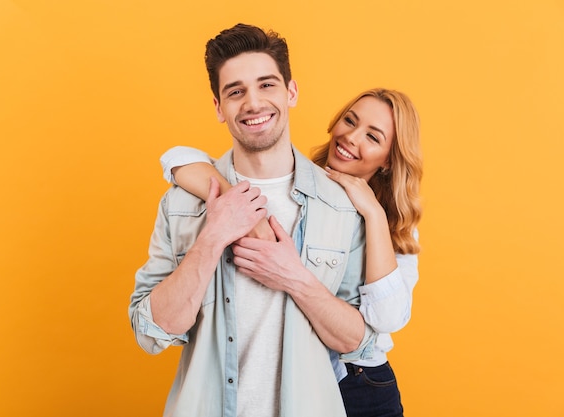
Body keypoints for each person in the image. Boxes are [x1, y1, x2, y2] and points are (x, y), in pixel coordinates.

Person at [129, 23, 377, 417]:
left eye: (266, 85)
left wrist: (293, 276)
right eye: (235, 91)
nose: (253, 103)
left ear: (291, 92)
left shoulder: (342, 208)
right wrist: (213, 238)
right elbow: (150, 333)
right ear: (218, 107)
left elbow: (358, 342)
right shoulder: (181, 204)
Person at [159, 87, 423, 417]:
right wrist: (232, 197)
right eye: (350, 121)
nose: (351, 138)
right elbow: (176, 158)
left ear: (388, 159)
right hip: (297, 379)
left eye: (373, 137)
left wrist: (373, 214)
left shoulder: (392, 222)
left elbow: (386, 319)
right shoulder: (294, 182)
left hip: (360, 383)